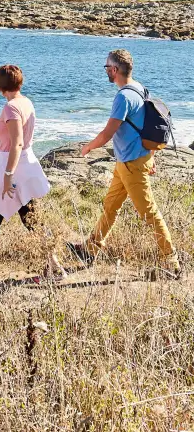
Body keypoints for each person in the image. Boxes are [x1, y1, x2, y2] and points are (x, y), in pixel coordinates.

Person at [69, 49, 180, 276]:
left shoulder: (123, 97)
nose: (106, 71)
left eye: (107, 67)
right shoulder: (139, 88)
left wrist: (88, 147)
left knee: (149, 213)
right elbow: (148, 126)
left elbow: (107, 133)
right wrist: (151, 156)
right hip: (129, 161)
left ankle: (172, 263)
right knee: (110, 206)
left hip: (132, 164)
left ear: (115, 69)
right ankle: (90, 250)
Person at [0, 64, 65, 283]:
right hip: (25, 165)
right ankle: (55, 269)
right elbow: (14, 134)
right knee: (32, 219)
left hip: (12, 168)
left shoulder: (10, 108)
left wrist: (7, 177)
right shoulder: (25, 102)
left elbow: (17, 142)